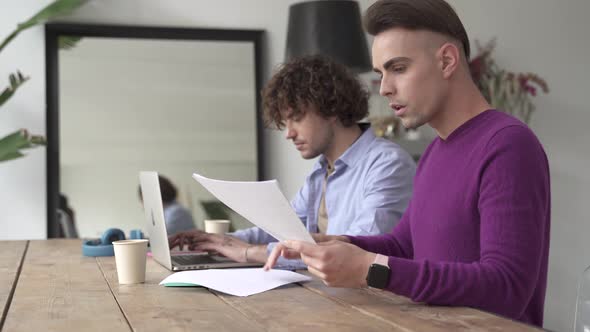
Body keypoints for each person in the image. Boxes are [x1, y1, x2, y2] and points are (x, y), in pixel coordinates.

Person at [264, 0, 551, 327]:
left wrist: (370, 269)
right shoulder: (435, 152)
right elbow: (403, 244)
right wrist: (339, 244)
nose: (384, 88)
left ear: (446, 61)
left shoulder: (508, 145)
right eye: (380, 73)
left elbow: (507, 287)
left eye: (398, 68)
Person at [169, 55, 416, 269]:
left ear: (330, 107)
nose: (289, 133)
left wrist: (247, 253)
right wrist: (215, 241)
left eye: (296, 118)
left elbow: (357, 252)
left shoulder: (387, 165)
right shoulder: (320, 173)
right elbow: (280, 231)